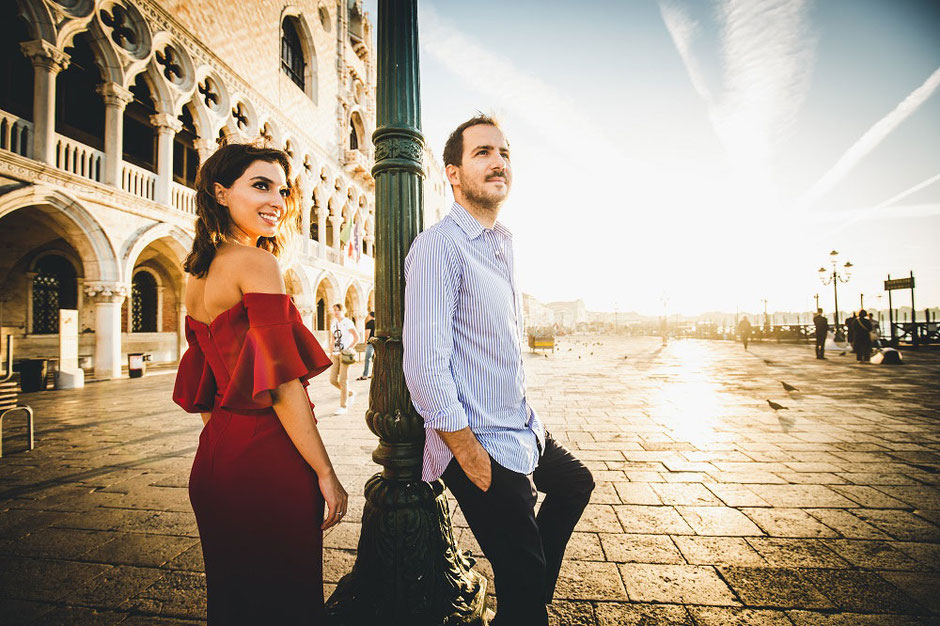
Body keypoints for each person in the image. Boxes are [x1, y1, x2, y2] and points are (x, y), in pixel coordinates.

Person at [403, 115, 594, 626]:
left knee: (575, 482)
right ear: (453, 173)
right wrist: (467, 452)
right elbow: (424, 365)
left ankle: (525, 586)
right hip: (479, 440)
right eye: (483, 152)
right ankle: (525, 593)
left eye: (505, 153)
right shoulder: (439, 247)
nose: (499, 162)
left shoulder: (501, 243)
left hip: (519, 425)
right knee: (527, 602)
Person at [172, 143, 348, 623]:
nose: (278, 199)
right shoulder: (256, 263)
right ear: (220, 192)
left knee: (234, 603)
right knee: (287, 602)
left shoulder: (196, 272)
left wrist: (227, 446)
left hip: (215, 459)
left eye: (283, 189)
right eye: (261, 185)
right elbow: (283, 385)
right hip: (267, 460)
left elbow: (207, 387)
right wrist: (326, 474)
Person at [329, 302, 360, 414]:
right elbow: (332, 339)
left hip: (345, 354)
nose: (336, 312)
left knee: (343, 380)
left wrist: (348, 348)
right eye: (334, 309)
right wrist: (331, 352)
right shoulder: (333, 323)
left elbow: (357, 337)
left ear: (343, 311)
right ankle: (350, 393)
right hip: (335, 354)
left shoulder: (347, 322)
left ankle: (343, 406)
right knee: (332, 379)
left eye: (338, 309)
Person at [356, 311, 375, 381]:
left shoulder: (369, 323)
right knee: (375, 360)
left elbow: (367, 334)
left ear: (370, 316)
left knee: (367, 359)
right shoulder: (378, 323)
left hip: (370, 343)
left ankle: (365, 375)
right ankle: (374, 374)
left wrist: (365, 342)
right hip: (377, 343)